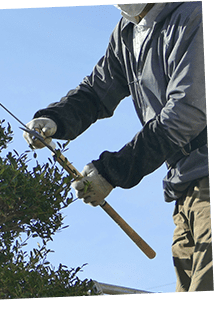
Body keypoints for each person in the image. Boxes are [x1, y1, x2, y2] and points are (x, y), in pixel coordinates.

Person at [23, 2, 213, 292]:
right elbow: (97, 92)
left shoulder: (195, 15)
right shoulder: (128, 32)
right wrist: (55, 119)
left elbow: (188, 111)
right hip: (185, 187)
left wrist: (112, 172)